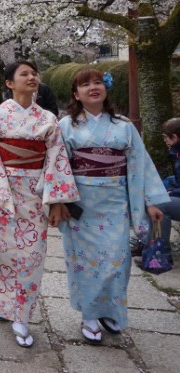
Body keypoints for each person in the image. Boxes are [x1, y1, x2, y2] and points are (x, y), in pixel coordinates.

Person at [0, 60, 78, 349]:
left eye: (34, 73)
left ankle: (22, 316)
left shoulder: (47, 118)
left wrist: (58, 200)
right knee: (2, 253)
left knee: (31, 256)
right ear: (10, 83)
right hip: (2, 193)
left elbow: (57, 159)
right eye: (24, 74)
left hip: (35, 194)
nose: (31, 77)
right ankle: (2, 308)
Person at [58, 68, 168, 345]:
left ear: (105, 89)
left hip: (116, 203)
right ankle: (90, 315)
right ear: (76, 94)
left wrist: (150, 201)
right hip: (80, 205)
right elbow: (57, 167)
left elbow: (140, 164)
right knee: (85, 263)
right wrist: (59, 201)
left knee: (117, 261)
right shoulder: (66, 126)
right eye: (86, 84)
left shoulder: (123, 125)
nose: (93, 87)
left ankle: (110, 310)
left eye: (98, 82)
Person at [154, 117, 180, 259]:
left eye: (166, 138)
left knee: (159, 205)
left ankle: (160, 255)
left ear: (175, 137)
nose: (165, 141)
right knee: (160, 187)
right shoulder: (177, 153)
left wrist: (172, 192)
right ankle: (146, 242)